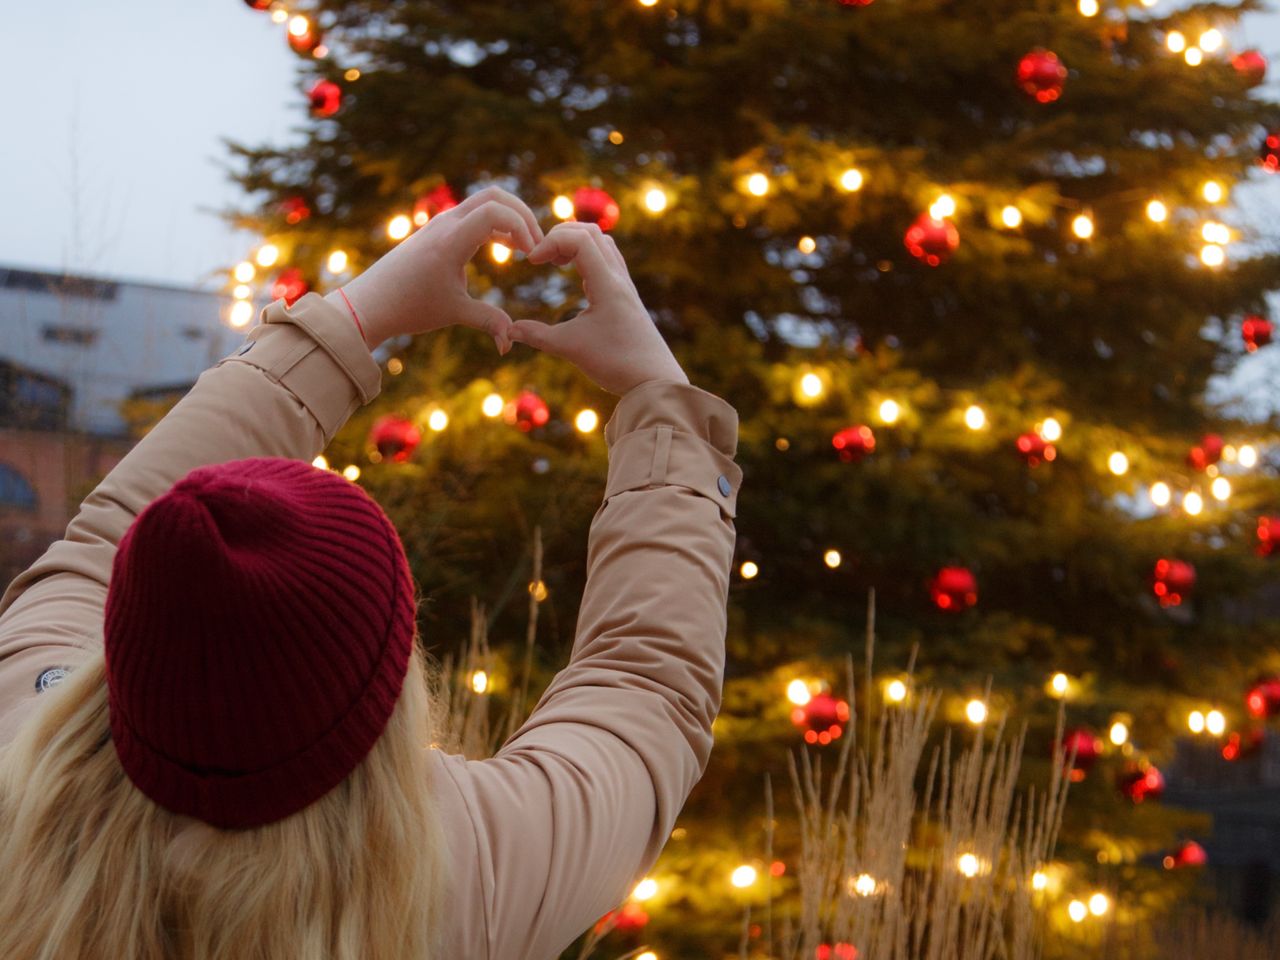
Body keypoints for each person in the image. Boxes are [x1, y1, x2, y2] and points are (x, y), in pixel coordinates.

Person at [0, 186, 742, 960]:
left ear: (127, 642)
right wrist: (663, 404)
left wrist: (349, 321)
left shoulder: (19, 755)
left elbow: (102, 548)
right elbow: (644, 688)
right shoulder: (459, 873)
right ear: (388, 685)